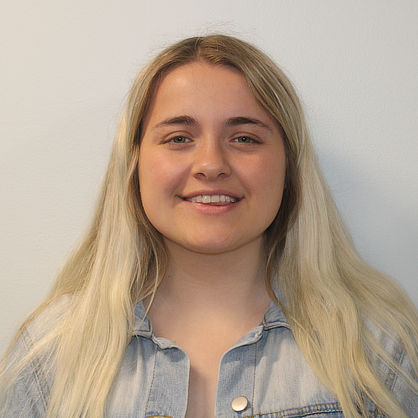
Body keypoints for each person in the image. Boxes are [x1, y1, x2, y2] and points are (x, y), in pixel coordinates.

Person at [1, 34, 417, 418]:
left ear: (289, 168)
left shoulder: (379, 351)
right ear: (135, 165)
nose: (211, 164)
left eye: (245, 138)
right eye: (179, 138)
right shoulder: (50, 355)